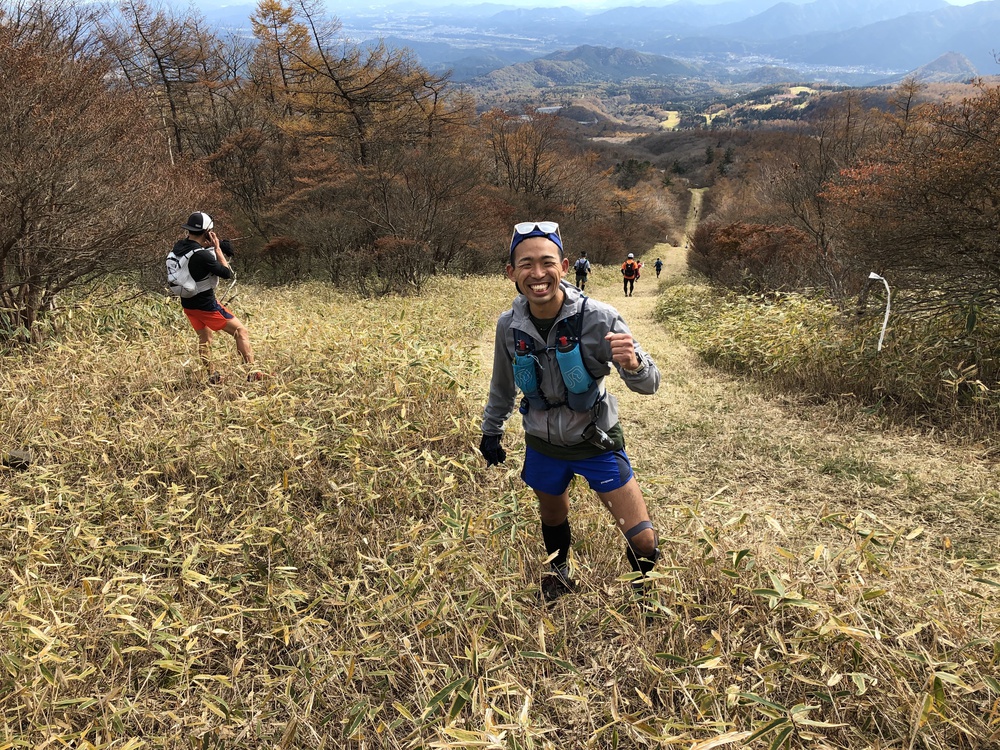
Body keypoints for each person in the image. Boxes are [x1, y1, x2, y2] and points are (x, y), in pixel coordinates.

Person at [480, 221, 661, 603]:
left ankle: (644, 594)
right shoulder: (508, 326)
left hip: (595, 440)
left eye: (547, 262)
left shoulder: (600, 317)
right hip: (543, 443)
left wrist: (633, 366)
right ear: (511, 272)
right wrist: (491, 430)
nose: (537, 274)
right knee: (552, 518)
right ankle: (560, 576)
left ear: (564, 267)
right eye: (525, 264)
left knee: (644, 539)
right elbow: (502, 385)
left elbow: (650, 383)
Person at [167, 212, 261, 384]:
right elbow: (227, 273)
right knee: (241, 332)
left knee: (205, 338)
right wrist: (217, 249)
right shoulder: (202, 255)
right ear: (208, 232)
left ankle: (213, 377)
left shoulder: (178, 248)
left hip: (188, 304)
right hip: (206, 306)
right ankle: (253, 374)